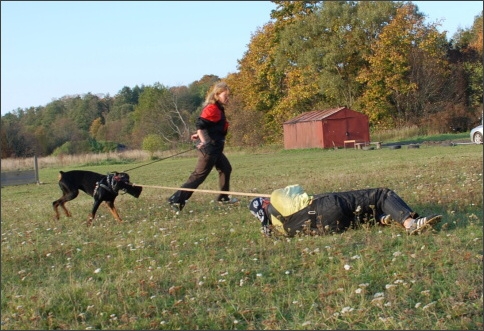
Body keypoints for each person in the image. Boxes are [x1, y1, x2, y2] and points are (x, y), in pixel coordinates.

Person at [249, 184, 442, 237]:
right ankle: (410, 223)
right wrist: (274, 194)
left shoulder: (282, 230)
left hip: (331, 227)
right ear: (265, 204)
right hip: (327, 206)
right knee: (381, 195)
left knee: (359, 212)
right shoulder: (275, 197)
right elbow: (298, 188)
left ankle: (382, 218)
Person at [168, 81, 238, 211]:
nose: (228, 98)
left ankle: (223, 198)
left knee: (226, 168)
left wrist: (198, 135)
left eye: (229, 95)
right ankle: (176, 200)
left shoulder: (218, 108)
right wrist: (204, 140)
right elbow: (200, 124)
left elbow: (210, 127)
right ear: (217, 95)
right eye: (225, 95)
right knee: (198, 176)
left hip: (216, 149)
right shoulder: (212, 108)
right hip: (210, 149)